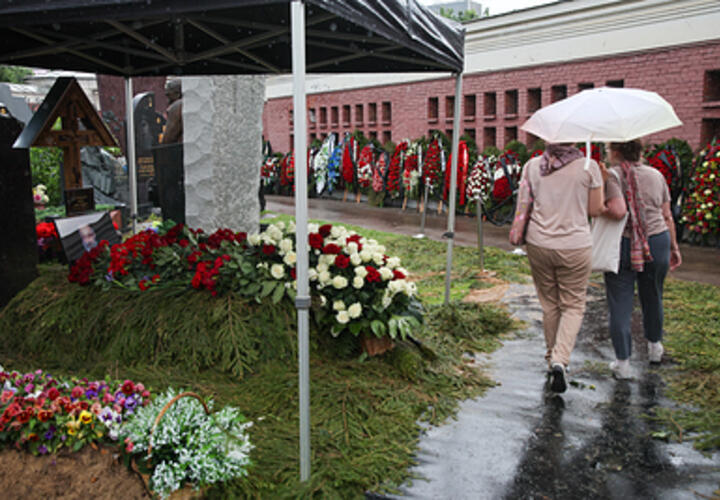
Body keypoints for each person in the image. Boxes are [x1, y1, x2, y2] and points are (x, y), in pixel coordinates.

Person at [519, 143, 605, 393]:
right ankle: (560, 360)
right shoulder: (589, 167)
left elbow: (524, 202)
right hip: (575, 245)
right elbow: (595, 209)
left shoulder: (533, 166)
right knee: (573, 304)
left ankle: (550, 357)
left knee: (549, 303)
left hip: (539, 243)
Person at [601, 140, 682, 379]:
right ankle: (655, 347)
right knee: (653, 295)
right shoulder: (657, 175)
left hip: (625, 242)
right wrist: (674, 247)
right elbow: (667, 215)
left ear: (615, 151)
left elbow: (611, 209)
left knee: (620, 302)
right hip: (658, 240)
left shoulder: (612, 177)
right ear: (640, 152)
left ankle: (623, 363)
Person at [162, 79, 182, 144]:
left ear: (178, 94)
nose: (167, 101)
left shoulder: (177, 106)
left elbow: (167, 140)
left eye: (169, 96)